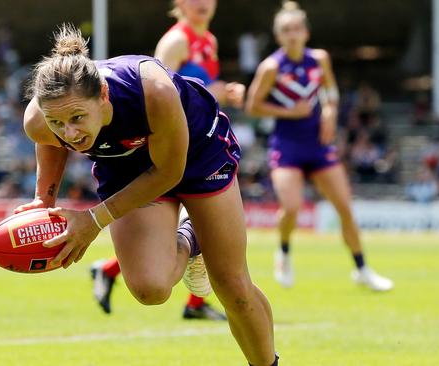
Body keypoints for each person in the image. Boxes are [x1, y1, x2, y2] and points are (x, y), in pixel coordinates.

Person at [15, 25, 278, 366]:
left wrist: (94, 220)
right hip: (127, 166)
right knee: (150, 289)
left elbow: (170, 172)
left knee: (232, 286)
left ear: (104, 95)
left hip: (197, 152)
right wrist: (44, 199)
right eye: (58, 122)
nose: (70, 132)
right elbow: (51, 141)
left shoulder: (153, 89)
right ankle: (190, 239)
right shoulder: (38, 121)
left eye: (78, 118)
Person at [90, 0, 245, 321]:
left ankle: (193, 301)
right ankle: (191, 300)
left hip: (198, 138)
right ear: (179, 3)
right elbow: (161, 94)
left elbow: (196, 91)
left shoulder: (209, 41)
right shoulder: (176, 40)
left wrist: (221, 93)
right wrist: (215, 91)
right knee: (189, 227)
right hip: (170, 144)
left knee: (195, 228)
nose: (201, 3)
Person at [245, 1, 393, 291]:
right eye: (287, 30)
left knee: (345, 208)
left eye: (297, 29)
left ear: (306, 32)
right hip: (287, 145)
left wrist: (329, 111)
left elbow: (331, 91)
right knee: (291, 208)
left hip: (318, 145)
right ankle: (284, 252)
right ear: (279, 36)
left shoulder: (319, 59)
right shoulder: (271, 67)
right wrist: (290, 112)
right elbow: (253, 106)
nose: (293, 35)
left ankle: (362, 269)